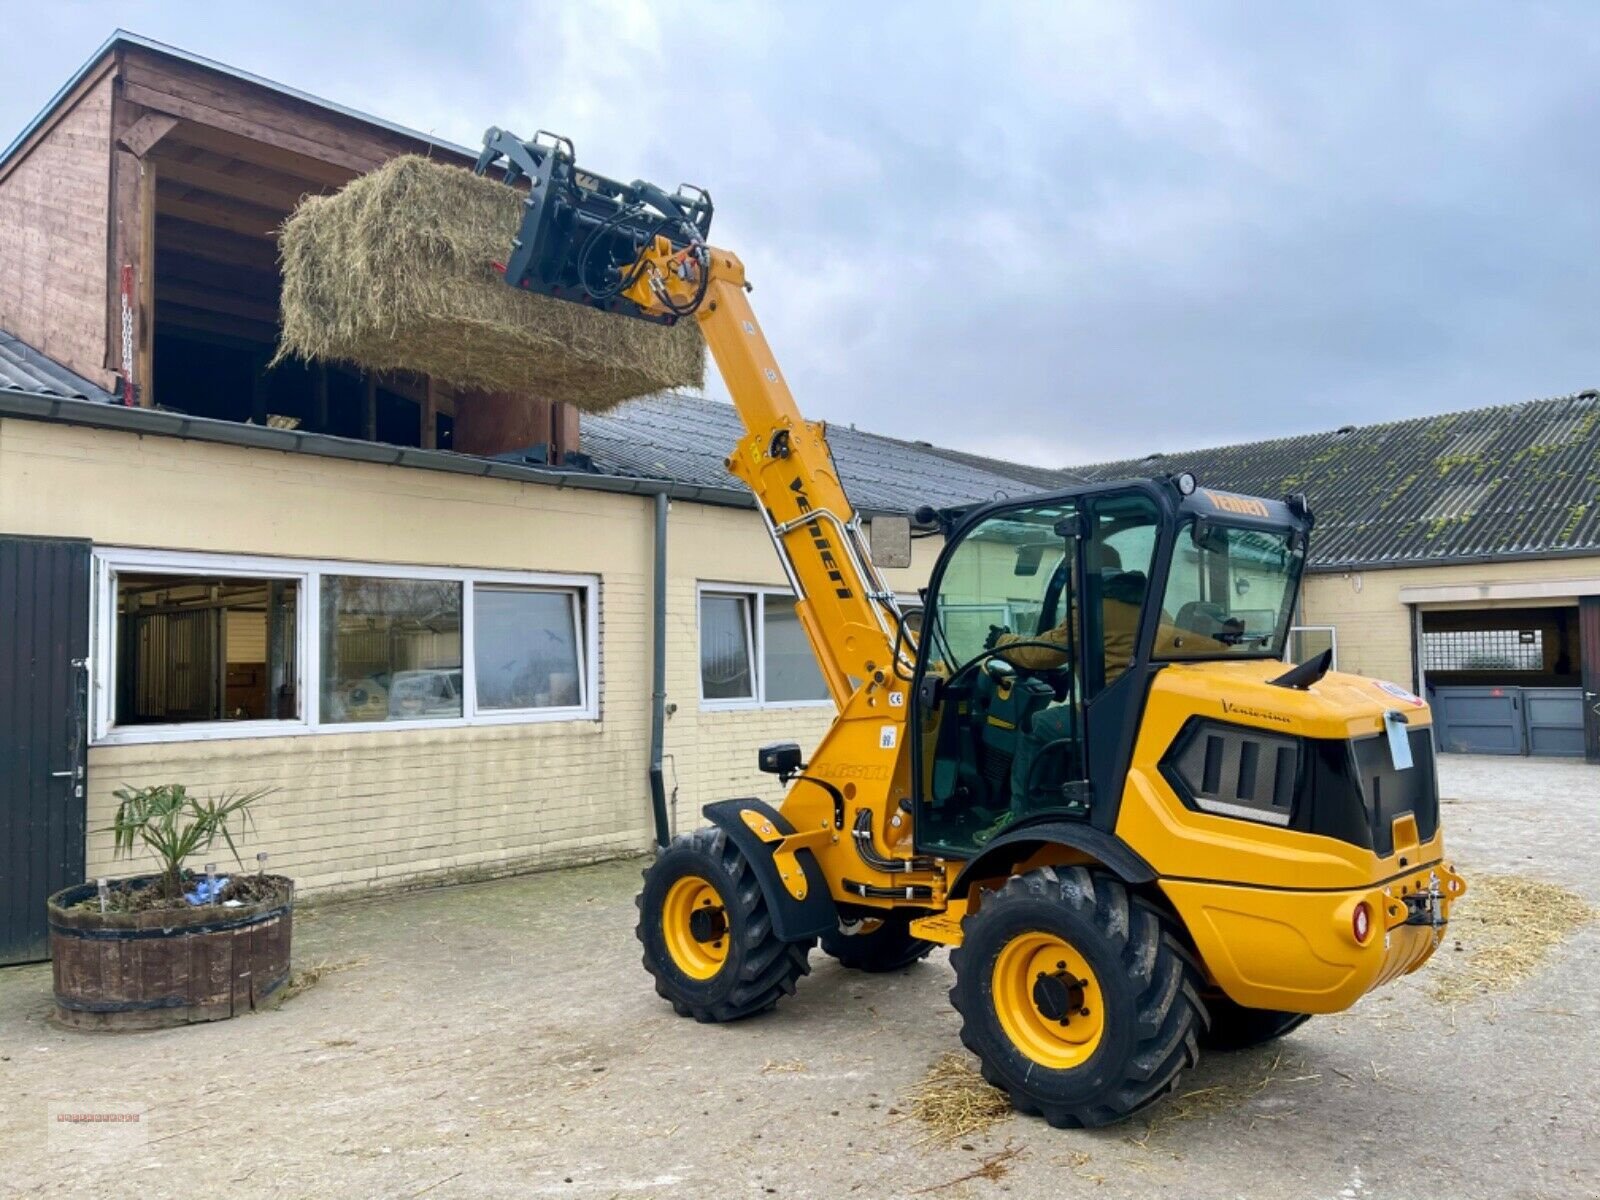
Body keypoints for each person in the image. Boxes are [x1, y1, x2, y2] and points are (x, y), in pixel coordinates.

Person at [992, 544, 1226, 683]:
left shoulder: (1093, 608)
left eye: (1072, 568)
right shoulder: (1148, 605)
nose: (1070, 575)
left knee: (1039, 725)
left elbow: (1043, 653)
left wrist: (1001, 641)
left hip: (1110, 703)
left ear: (1088, 570)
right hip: (1135, 698)